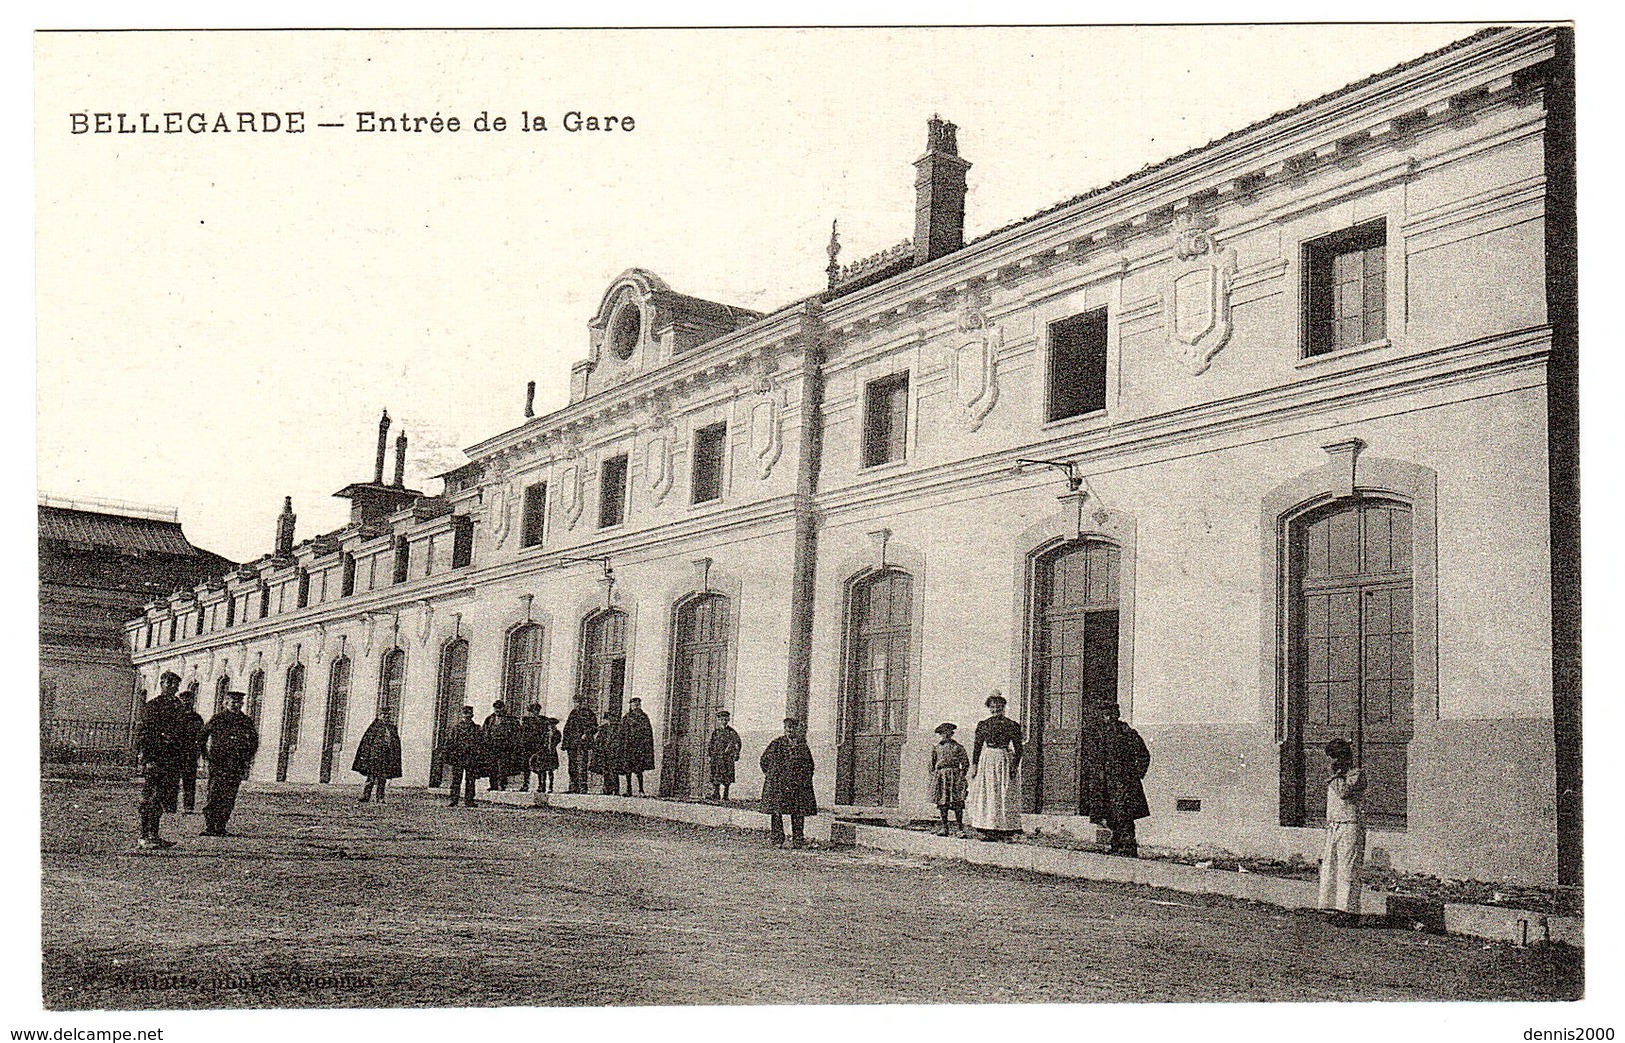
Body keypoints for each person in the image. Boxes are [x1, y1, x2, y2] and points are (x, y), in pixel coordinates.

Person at [1318, 738, 1369, 925]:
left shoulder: (1356, 775)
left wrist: (1336, 776)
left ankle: (1350, 911)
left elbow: (1344, 793)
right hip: (1334, 825)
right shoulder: (1335, 777)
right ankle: (1334, 907)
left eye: (1337, 758)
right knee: (1332, 867)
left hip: (1350, 825)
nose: (1334, 763)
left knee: (1348, 868)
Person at [133, 675, 187, 850]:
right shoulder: (153, 705)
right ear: (161, 684)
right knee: (149, 798)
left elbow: (182, 732)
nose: (173, 687)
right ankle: (143, 836)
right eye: (169, 683)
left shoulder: (178, 706)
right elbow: (145, 734)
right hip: (156, 758)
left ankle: (154, 835)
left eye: (176, 684)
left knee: (162, 798)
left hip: (171, 760)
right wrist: (148, 759)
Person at [199, 691, 259, 836]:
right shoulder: (218, 719)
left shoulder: (245, 721)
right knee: (214, 794)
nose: (236, 705)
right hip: (219, 763)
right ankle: (210, 826)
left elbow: (254, 741)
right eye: (233, 702)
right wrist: (206, 755)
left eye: (239, 703)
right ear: (226, 703)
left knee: (229, 796)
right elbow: (202, 736)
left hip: (236, 763)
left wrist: (247, 757)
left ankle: (221, 826)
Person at [967, 691, 1024, 841]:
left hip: (1004, 759)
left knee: (1003, 792)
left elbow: (1019, 749)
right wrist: (974, 766)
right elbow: (977, 746)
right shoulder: (983, 725)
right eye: (992, 706)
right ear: (989, 707)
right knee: (989, 792)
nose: (995, 709)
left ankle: (1005, 829)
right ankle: (987, 828)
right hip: (988, 760)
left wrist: (1014, 766)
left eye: (999, 706)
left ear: (1003, 706)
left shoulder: (1012, 725)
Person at [760, 717, 818, 848]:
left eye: (792, 728)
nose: (790, 731)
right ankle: (777, 840)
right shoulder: (776, 744)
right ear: (784, 729)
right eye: (787, 728)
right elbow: (764, 760)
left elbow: (810, 764)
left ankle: (798, 840)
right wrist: (771, 776)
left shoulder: (802, 746)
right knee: (777, 812)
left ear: (797, 729)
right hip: (779, 785)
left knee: (798, 812)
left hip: (797, 785)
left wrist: (805, 779)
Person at [1100, 710, 1152, 857]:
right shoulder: (1103, 734)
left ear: (1114, 716)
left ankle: (1128, 847)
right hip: (1108, 781)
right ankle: (1116, 845)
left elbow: (1143, 754)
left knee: (1124, 814)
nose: (1107, 719)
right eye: (1105, 716)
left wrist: (1136, 774)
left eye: (1109, 715)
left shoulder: (1127, 733)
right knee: (1112, 814)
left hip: (1124, 781)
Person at [352, 709, 403, 803]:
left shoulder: (392, 728)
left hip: (386, 757)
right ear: (380, 715)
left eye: (388, 715)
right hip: (374, 757)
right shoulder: (374, 727)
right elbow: (366, 743)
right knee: (371, 778)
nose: (386, 717)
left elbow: (395, 744)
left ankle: (380, 797)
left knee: (382, 779)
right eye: (384, 715)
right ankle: (365, 796)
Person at [930, 722, 970, 836]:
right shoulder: (936, 747)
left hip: (955, 776)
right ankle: (944, 827)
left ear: (951, 733)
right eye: (942, 733)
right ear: (940, 734)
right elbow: (932, 765)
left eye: (947, 733)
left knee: (957, 802)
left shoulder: (958, 747)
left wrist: (961, 775)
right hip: (941, 777)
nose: (945, 735)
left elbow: (965, 763)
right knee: (943, 803)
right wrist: (935, 777)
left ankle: (959, 829)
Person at [440, 706, 484, 807]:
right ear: (462, 716)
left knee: (470, 780)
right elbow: (450, 742)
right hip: (458, 757)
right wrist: (449, 754)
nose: (466, 718)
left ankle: (469, 800)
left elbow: (480, 743)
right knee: (456, 779)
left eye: (468, 716)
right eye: (465, 716)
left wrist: (477, 755)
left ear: (471, 716)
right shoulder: (456, 728)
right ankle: (454, 799)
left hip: (471, 757)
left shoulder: (476, 728)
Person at [175, 690, 206, 815]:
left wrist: (203, 752)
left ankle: (188, 806)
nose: (187, 702)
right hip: (175, 752)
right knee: (172, 780)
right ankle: (170, 804)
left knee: (189, 781)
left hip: (191, 753)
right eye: (184, 700)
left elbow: (201, 736)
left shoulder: (196, 718)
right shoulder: (175, 717)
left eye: (189, 700)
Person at [560, 696, 598, 794]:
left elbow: (594, 727)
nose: (577, 704)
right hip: (572, 743)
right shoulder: (573, 713)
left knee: (582, 765)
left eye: (579, 702)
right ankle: (573, 786)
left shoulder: (589, 714)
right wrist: (565, 743)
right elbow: (567, 728)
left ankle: (583, 787)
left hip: (582, 744)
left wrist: (586, 734)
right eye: (575, 702)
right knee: (572, 766)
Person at [619, 697, 656, 796]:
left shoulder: (643, 717)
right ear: (630, 706)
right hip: (628, 747)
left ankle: (641, 790)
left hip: (639, 747)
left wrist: (645, 746)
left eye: (637, 704)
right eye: (633, 704)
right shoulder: (626, 718)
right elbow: (621, 733)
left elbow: (648, 733)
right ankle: (628, 789)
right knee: (627, 769)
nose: (635, 706)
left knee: (639, 770)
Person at [482, 700, 518, 791]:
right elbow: (484, 731)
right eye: (495, 708)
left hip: (504, 746)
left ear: (503, 708)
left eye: (499, 708)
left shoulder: (510, 719)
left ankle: (502, 784)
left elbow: (516, 733)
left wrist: (511, 744)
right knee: (492, 766)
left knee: (503, 766)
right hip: (492, 746)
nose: (497, 710)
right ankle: (493, 785)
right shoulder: (489, 719)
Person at [707, 710, 742, 801]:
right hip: (717, 757)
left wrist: (736, 753)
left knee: (727, 776)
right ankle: (716, 793)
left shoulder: (732, 732)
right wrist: (710, 755)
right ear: (718, 720)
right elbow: (711, 744)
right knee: (716, 775)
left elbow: (738, 743)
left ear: (728, 720)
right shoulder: (716, 732)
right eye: (721, 719)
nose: (723, 721)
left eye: (725, 719)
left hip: (727, 758)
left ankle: (726, 794)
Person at [591, 709, 624, 795]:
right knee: (605, 771)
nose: (610, 720)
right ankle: (606, 789)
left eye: (612, 718)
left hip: (614, 752)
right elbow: (598, 740)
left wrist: (616, 749)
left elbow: (620, 740)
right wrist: (598, 748)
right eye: (609, 718)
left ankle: (615, 790)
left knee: (614, 771)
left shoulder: (619, 728)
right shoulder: (603, 728)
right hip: (604, 752)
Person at [516, 704, 547, 792]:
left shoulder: (543, 721)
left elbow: (545, 734)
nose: (535, 713)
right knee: (526, 766)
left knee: (541, 767)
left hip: (539, 746)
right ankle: (525, 784)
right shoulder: (526, 721)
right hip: (527, 746)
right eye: (533, 711)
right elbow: (522, 733)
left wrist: (543, 746)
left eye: (537, 711)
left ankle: (542, 785)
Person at [530, 715, 562, 794]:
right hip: (544, 753)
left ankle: (550, 786)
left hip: (552, 753)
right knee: (542, 770)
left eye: (553, 725)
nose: (551, 726)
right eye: (550, 725)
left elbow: (557, 741)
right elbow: (540, 742)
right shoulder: (545, 734)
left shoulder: (557, 733)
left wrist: (552, 739)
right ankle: (541, 786)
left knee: (551, 770)